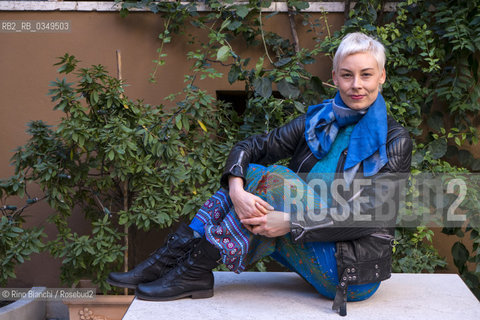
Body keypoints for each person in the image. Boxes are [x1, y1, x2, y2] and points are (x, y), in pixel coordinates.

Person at [107, 32, 412, 316]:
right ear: (335, 78)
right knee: (250, 174)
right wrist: (237, 192)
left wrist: (291, 222)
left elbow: (371, 214)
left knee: (275, 179)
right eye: (347, 74)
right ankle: (184, 264)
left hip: (350, 272)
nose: (356, 84)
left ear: (381, 76)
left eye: (366, 74)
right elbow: (252, 146)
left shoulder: (395, 141)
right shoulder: (318, 122)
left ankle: (186, 266)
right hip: (310, 250)